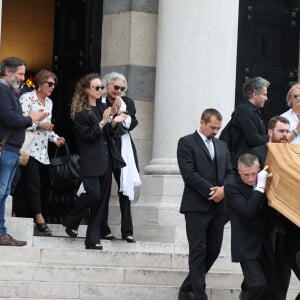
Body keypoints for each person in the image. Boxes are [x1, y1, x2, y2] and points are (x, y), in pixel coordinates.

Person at [63, 73, 127, 250]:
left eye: (101, 87)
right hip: (91, 160)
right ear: (86, 90)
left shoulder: (103, 108)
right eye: (97, 87)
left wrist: (114, 122)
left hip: (106, 159)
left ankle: (92, 239)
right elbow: (87, 136)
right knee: (94, 194)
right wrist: (104, 121)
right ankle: (71, 219)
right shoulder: (81, 113)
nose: (101, 90)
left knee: (101, 202)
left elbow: (110, 134)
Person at [177, 108, 234, 300]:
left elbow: (230, 172)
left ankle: (187, 288)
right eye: (212, 127)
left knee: (214, 250)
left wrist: (224, 189)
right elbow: (189, 174)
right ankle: (198, 295)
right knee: (198, 250)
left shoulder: (222, 145)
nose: (215, 131)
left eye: (218, 128)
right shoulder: (186, 142)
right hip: (196, 206)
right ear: (202, 122)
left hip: (219, 207)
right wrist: (213, 191)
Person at [0, 57, 48, 246]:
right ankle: (1, 233)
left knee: (3, 193)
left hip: (11, 151)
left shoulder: (8, 92)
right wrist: (32, 118)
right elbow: (10, 119)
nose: (23, 78)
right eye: (20, 74)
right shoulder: (3, 91)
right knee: (1, 192)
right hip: (6, 151)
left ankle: (2, 232)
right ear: (7, 72)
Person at [252, 116, 300, 299]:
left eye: (288, 131)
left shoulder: (294, 154)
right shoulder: (257, 153)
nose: (285, 135)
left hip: (291, 224)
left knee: (284, 271)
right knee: (267, 273)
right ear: (270, 132)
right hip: (267, 223)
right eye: (281, 131)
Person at [13, 70, 65, 236]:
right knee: (33, 184)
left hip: (43, 152)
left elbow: (47, 127)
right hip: (27, 149)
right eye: (49, 84)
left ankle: (17, 213)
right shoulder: (27, 98)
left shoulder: (49, 102)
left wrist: (55, 138)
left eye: (54, 84)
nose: (52, 87)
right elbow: (19, 122)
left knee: (32, 184)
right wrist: (39, 125)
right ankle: (39, 218)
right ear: (40, 84)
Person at [225, 153, 275, 300]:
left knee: (262, 286)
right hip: (245, 245)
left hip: (265, 244)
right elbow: (248, 211)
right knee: (258, 285)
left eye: (253, 174)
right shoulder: (231, 188)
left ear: (259, 168)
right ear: (239, 171)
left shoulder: (268, 183)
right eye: (246, 175)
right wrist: (259, 188)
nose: (251, 178)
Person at [101, 72, 141, 243]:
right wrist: (113, 117)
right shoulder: (100, 103)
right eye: (116, 87)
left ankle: (127, 231)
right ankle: (103, 228)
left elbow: (131, 123)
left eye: (122, 88)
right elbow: (104, 128)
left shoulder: (128, 103)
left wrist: (118, 116)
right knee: (103, 189)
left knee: (125, 189)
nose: (118, 91)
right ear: (107, 86)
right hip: (104, 147)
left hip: (122, 148)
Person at [226, 77, 270, 168]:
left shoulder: (252, 111)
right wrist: (270, 137)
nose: (266, 98)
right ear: (254, 94)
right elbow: (253, 139)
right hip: (242, 164)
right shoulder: (244, 111)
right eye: (264, 94)